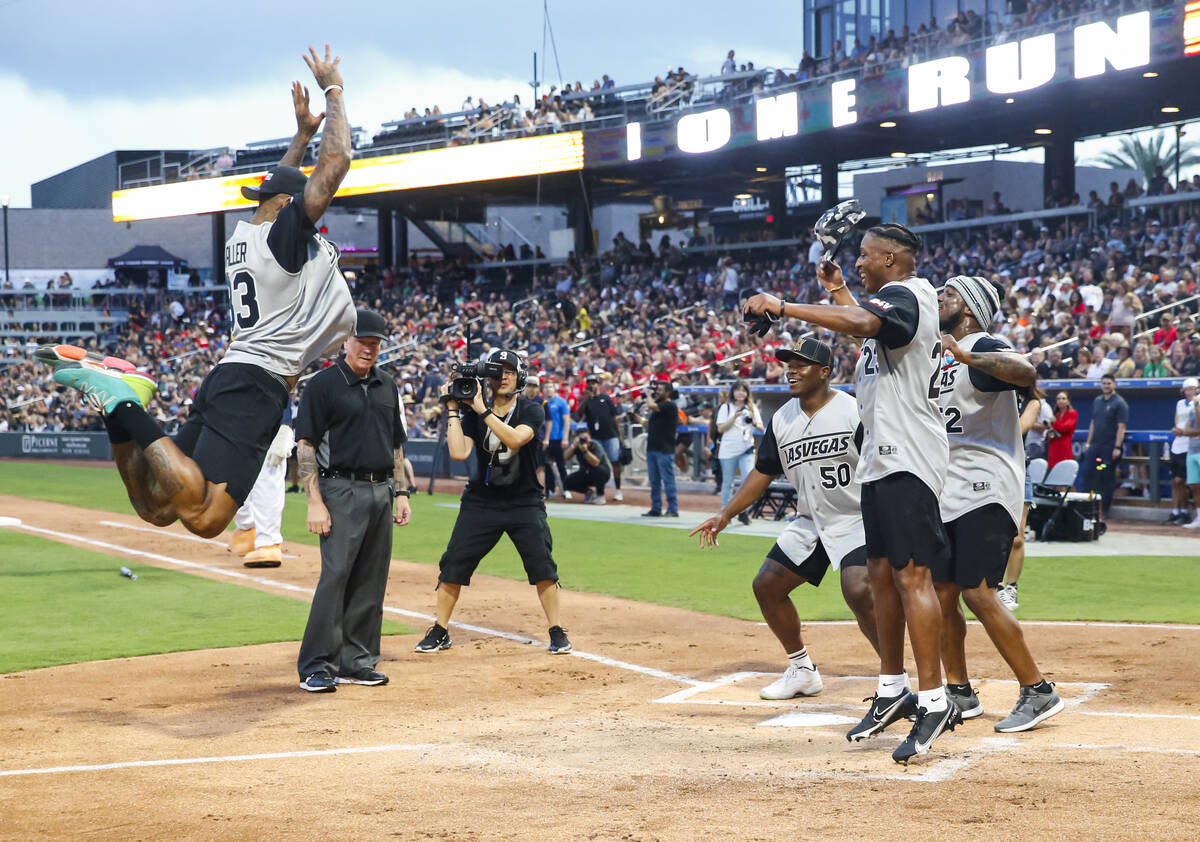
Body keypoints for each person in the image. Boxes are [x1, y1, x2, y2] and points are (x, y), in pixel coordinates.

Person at [36, 45, 354, 539]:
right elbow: (336, 164)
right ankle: (121, 400)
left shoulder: (246, 236)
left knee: (156, 506)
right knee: (204, 519)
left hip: (231, 373)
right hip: (257, 384)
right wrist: (334, 90)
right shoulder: (285, 237)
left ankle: (124, 407)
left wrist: (299, 137)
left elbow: (281, 189)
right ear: (291, 206)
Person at [746, 221, 957, 764]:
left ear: (890, 258)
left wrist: (785, 307)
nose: (859, 263)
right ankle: (891, 689)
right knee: (882, 576)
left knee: (911, 578)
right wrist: (837, 290)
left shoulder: (911, 293)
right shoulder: (893, 303)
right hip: (883, 460)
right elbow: (869, 325)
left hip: (909, 455)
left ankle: (935, 700)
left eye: (865, 256)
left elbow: (868, 319)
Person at [690, 339, 879, 700]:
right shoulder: (782, 420)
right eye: (788, 363)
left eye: (802, 364)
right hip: (810, 520)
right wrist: (725, 513)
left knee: (858, 590)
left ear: (825, 372)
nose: (791, 369)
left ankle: (894, 681)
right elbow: (762, 473)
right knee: (767, 586)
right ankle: (803, 671)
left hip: (858, 517)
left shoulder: (855, 410)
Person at [934, 277, 1063, 732]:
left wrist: (968, 355)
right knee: (942, 594)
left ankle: (1038, 689)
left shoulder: (984, 344)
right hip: (945, 488)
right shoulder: (937, 354)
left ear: (969, 309)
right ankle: (959, 691)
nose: (938, 299)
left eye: (948, 295)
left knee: (976, 590)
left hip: (985, 483)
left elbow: (1026, 373)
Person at [415, 349, 571, 655]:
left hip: (524, 501)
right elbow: (459, 452)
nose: (503, 376)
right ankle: (441, 629)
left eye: (510, 371)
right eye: (497, 372)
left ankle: (556, 630)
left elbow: (515, 439)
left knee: (542, 565)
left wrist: (482, 410)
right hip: (481, 501)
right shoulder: (474, 413)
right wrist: (452, 410)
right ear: (487, 377)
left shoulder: (531, 409)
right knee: (453, 564)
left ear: (520, 376)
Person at [294, 310, 411, 693]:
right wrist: (314, 501)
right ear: (346, 340)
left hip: (381, 492)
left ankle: (357, 661)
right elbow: (306, 445)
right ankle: (317, 665)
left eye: (376, 343)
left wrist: (402, 492)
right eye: (363, 341)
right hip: (340, 490)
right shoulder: (324, 385)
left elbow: (395, 444)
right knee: (336, 577)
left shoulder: (387, 385)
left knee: (371, 580)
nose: (370, 348)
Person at [998, 388, 1050, 612]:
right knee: (995, 533)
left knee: (1017, 536)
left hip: (1019, 467)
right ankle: (996, 585)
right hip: (992, 466)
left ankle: (1011, 587)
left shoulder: (1031, 402)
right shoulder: (991, 394)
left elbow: (1021, 429)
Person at [228, 422, 294, 568]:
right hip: (239, 422)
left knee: (268, 473)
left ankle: (268, 543)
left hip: (269, 420)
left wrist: (286, 424)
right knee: (235, 470)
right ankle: (247, 531)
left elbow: (285, 398)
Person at [1079, 374, 1128, 518]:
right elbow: (1093, 423)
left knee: (1106, 477)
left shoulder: (1120, 403)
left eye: (1109, 383)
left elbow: (1121, 427)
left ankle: (1104, 510)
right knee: (1088, 474)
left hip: (1109, 447)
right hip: (1095, 445)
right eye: (1104, 383)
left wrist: (1117, 447)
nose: (1106, 386)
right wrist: (1088, 443)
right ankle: (1087, 507)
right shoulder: (1097, 400)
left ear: (1114, 384)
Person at [715, 380, 764, 525]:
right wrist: (734, 417)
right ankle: (725, 513)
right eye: (738, 390)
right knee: (728, 483)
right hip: (728, 449)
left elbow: (761, 428)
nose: (740, 393)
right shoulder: (726, 407)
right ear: (733, 392)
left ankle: (742, 511)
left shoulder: (751, 407)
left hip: (747, 448)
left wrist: (753, 421)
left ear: (747, 393)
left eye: (743, 390)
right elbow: (720, 429)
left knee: (746, 482)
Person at [634, 381, 680, 518]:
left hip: (664, 449)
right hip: (653, 448)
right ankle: (656, 508)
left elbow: (651, 405)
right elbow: (648, 424)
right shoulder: (659, 407)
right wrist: (636, 418)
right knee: (654, 480)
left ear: (667, 392)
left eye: (660, 390)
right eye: (657, 389)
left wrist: (647, 394)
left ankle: (673, 509)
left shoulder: (670, 406)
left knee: (668, 480)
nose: (657, 392)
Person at [580, 375, 625, 501]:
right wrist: (586, 398)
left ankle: (618, 490)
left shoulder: (605, 398)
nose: (592, 385)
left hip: (610, 435)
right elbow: (579, 413)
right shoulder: (586, 400)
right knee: (596, 464)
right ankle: (599, 491)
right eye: (590, 383)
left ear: (598, 384)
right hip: (595, 437)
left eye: (594, 383)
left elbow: (614, 417)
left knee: (615, 461)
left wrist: (619, 435)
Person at [1170, 378, 1200, 525]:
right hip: (1178, 445)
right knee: (1179, 482)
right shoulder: (1180, 404)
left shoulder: (1198, 402)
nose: (1189, 392)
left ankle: (1185, 511)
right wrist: (1179, 430)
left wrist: (1184, 432)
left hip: (1192, 446)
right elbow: (1179, 422)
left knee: (1184, 481)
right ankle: (1176, 511)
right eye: (1186, 389)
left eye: (1191, 388)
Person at [541, 380, 572, 500]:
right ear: (543, 390)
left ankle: (566, 489)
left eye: (550, 387)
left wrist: (565, 437)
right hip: (546, 439)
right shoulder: (542, 402)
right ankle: (551, 489)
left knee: (561, 465)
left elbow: (567, 421)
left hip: (558, 439)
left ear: (555, 389)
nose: (548, 389)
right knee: (547, 466)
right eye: (546, 387)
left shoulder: (561, 402)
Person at [563, 429, 611, 504]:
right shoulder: (576, 446)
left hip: (601, 473)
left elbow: (596, 463)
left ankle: (600, 495)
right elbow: (566, 457)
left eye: (585, 438)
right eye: (581, 438)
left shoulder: (595, 445)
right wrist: (574, 446)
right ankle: (589, 492)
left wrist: (585, 451)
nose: (583, 440)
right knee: (567, 482)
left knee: (598, 470)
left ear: (590, 437)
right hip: (585, 472)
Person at [1046, 391, 1077, 469]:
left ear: (1068, 401)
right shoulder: (1056, 414)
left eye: (1063, 398)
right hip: (1053, 448)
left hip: (1064, 448)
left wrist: (1054, 422)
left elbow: (1065, 428)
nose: (1060, 401)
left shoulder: (1072, 413)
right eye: (1058, 399)